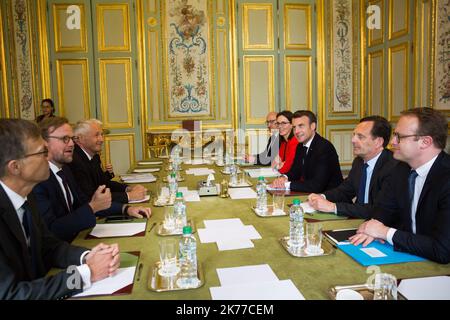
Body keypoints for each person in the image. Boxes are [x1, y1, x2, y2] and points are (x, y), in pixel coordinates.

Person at [0, 118, 121, 299]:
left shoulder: (27, 196)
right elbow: (12, 294)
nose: (48, 157)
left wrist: (88, 256)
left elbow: (49, 247)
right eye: (42, 152)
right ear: (15, 167)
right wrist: (86, 274)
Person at [350, 108, 450, 264]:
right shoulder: (400, 169)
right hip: (409, 258)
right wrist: (371, 228)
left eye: (399, 137)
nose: (392, 142)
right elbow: (382, 211)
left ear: (425, 142)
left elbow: (442, 250)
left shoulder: (446, 178)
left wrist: (385, 232)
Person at [31, 117, 151, 242]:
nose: (72, 144)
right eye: (65, 139)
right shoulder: (38, 180)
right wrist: (93, 207)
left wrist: (126, 209)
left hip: (79, 238)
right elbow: (52, 230)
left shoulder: (65, 170)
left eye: (71, 139)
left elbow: (84, 202)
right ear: (44, 143)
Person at [308, 116, 398, 219]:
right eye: (354, 135)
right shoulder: (359, 162)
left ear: (378, 142)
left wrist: (333, 207)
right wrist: (322, 196)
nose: (353, 140)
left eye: (360, 137)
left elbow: (377, 209)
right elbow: (345, 191)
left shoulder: (392, 167)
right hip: (358, 219)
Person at [68, 119, 147, 203]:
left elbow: (104, 183)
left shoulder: (95, 157)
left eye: (102, 135)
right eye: (96, 135)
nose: (101, 139)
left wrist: (128, 188)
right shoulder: (74, 161)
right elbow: (91, 197)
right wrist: (129, 196)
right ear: (80, 139)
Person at [271, 110, 343, 193]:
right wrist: (283, 178)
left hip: (330, 198)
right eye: (294, 127)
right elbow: (295, 172)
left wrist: (286, 184)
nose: (296, 131)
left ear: (312, 126)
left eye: (301, 126)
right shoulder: (300, 146)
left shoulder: (324, 148)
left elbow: (316, 186)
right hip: (312, 195)